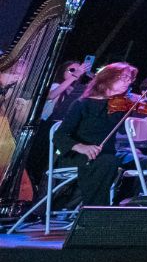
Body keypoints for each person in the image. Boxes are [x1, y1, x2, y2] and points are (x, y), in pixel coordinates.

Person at [53, 62, 137, 207]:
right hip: (78, 155)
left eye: (129, 79)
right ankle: (95, 210)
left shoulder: (120, 107)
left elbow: (128, 131)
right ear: (107, 78)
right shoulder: (82, 104)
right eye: (123, 77)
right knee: (108, 161)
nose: (128, 82)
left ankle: (123, 205)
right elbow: (60, 136)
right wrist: (81, 147)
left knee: (139, 160)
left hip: (107, 154)